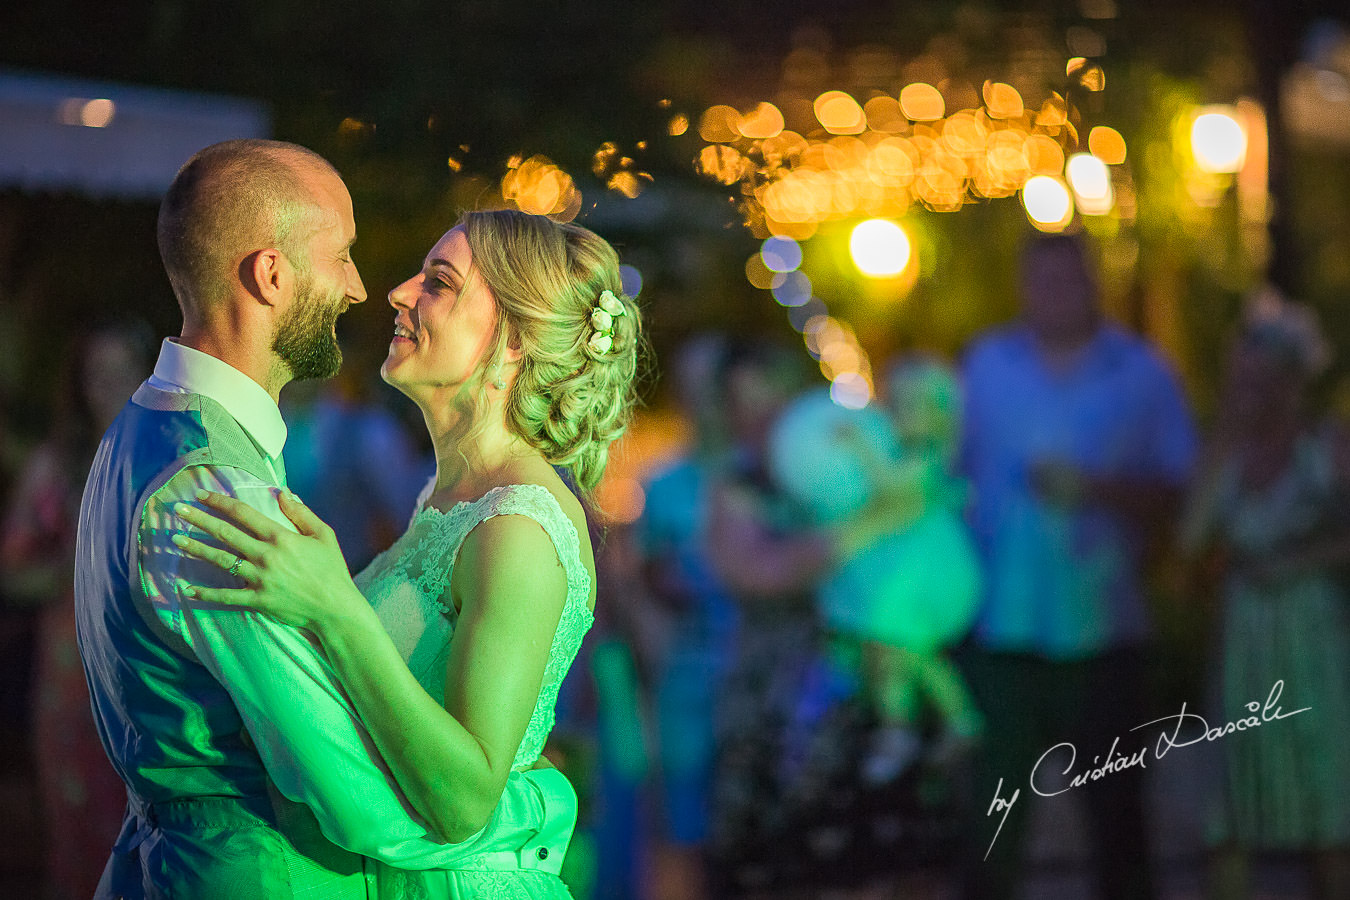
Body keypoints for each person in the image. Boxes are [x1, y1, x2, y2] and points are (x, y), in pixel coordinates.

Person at [74, 140, 570, 900]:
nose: (364, 288)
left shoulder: (142, 431)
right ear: (271, 275)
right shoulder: (216, 493)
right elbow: (353, 792)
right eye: (340, 255)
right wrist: (534, 813)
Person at [168, 207, 642, 898]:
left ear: (511, 340)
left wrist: (334, 607)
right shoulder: (447, 498)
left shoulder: (519, 527)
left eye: (439, 282)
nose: (398, 291)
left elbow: (467, 799)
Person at [957, 232, 1197, 900]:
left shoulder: (1144, 371)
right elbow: (946, 476)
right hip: (1001, 628)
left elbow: (1184, 492)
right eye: (1041, 282)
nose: (1054, 295)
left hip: (1106, 631)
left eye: (1068, 281)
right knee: (991, 827)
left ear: (1095, 283)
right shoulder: (985, 365)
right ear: (1022, 286)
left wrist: (1098, 490)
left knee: (1120, 825)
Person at [1180, 291, 1350, 900]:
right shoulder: (1226, 452)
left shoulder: (1326, 449)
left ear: (1291, 382)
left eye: (1262, 380)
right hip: (1245, 648)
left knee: (1328, 812)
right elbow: (1190, 540)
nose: (1249, 392)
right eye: (1241, 380)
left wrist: (1302, 560)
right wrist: (1223, 441)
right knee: (1232, 811)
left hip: (1314, 643)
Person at [1, 322, 150, 900]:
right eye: (97, 374)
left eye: (122, 372)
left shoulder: (171, 459)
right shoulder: (56, 468)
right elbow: (13, 571)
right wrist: (75, 560)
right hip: (72, 679)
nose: (110, 386)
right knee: (77, 833)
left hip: (150, 675)